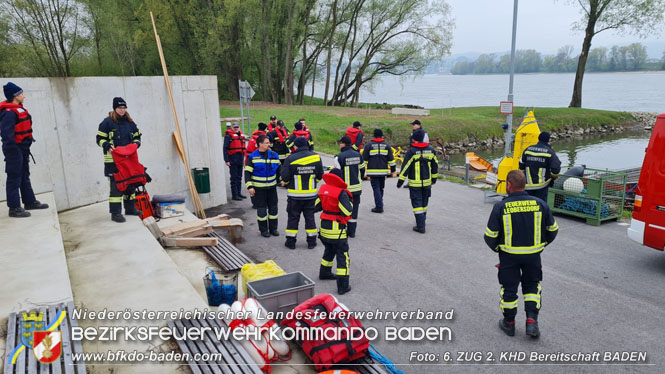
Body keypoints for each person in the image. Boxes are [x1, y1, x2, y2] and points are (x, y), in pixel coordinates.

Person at [483, 170, 558, 338]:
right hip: (533, 255)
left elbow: (489, 236)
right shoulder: (540, 204)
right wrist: (540, 245)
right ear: (524, 185)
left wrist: (499, 249)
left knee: (509, 289)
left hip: (509, 256)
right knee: (532, 287)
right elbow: (553, 230)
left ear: (509, 185)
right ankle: (532, 323)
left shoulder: (501, 207)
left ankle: (509, 324)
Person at [1, 82, 48, 217]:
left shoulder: (19, 109)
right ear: (15, 96)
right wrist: (13, 150)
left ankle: (29, 201)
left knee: (24, 175)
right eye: (21, 94)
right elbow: (6, 134)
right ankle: (14, 207)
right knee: (14, 176)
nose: (24, 96)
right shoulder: (9, 113)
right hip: (14, 149)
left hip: (23, 148)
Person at [96, 97, 142, 223]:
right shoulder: (107, 123)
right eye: (119, 108)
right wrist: (107, 146)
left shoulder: (130, 122)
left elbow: (137, 135)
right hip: (113, 163)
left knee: (130, 185)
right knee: (117, 188)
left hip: (129, 161)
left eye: (123, 108)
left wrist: (137, 143)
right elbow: (99, 139)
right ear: (114, 109)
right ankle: (115, 213)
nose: (122, 110)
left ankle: (130, 208)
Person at [281, 137, 324, 249]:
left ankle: (291, 242)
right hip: (310, 195)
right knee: (310, 217)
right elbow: (320, 176)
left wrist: (288, 182)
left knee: (293, 218)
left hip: (294, 196)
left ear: (295, 146)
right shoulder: (316, 157)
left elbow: (285, 178)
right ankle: (311, 242)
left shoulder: (290, 158)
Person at [315, 168, 353, 295]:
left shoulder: (323, 190)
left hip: (324, 228)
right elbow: (347, 212)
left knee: (329, 250)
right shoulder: (341, 193)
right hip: (337, 230)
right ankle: (343, 286)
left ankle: (324, 273)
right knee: (343, 257)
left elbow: (315, 206)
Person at [396, 130, 438, 233]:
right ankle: (422, 221)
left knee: (417, 204)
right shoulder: (431, 150)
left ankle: (420, 226)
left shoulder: (411, 151)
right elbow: (435, 166)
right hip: (427, 183)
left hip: (415, 184)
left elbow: (405, 167)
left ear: (415, 139)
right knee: (424, 203)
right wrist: (434, 179)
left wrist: (400, 182)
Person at [245, 135, 280, 237]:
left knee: (274, 209)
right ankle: (264, 230)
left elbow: (279, 170)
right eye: (266, 143)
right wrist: (250, 187)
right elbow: (247, 173)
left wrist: (281, 180)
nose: (269, 145)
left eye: (269, 143)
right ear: (260, 144)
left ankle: (274, 229)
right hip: (259, 189)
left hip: (272, 188)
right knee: (262, 210)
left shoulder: (274, 155)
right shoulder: (252, 157)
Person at [334, 136, 365, 238]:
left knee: (343, 209)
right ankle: (352, 232)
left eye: (340, 143)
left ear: (343, 144)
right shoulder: (358, 155)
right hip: (357, 188)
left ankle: (342, 229)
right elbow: (362, 170)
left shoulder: (339, 157)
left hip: (345, 189)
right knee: (354, 210)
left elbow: (336, 175)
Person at [519, 132, 561, 202]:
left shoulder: (528, 150)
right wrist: (553, 177)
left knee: (528, 205)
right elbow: (556, 168)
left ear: (538, 139)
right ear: (548, 140)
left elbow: (521, 164)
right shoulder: (550, 152)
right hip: (542, 186)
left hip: (528, 186)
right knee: (540, 206)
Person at [363, 129, 396, 213]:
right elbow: (391, 160)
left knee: (376, 188)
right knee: (381, 188)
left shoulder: (369, 145)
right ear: (382, 136)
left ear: (374, 135)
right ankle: (380, 202)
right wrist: (393, 171)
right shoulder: (387, 146)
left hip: (373, 172)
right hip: (383, 172)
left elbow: (364, 160)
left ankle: (379, 206)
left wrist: (361, 172)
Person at [224, 123, 247, 201]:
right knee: (234, 177)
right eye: (235, 127)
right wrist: (226, 160)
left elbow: (243, 150)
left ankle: (239, 193)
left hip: (240, 158)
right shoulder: (228, 136)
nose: (236, 128)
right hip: (233, 159)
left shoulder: (241, 136)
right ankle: (235, 195)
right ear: (232, 128)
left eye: (237, 127)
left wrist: (244, 161)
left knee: (239, 177)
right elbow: (225, 149)